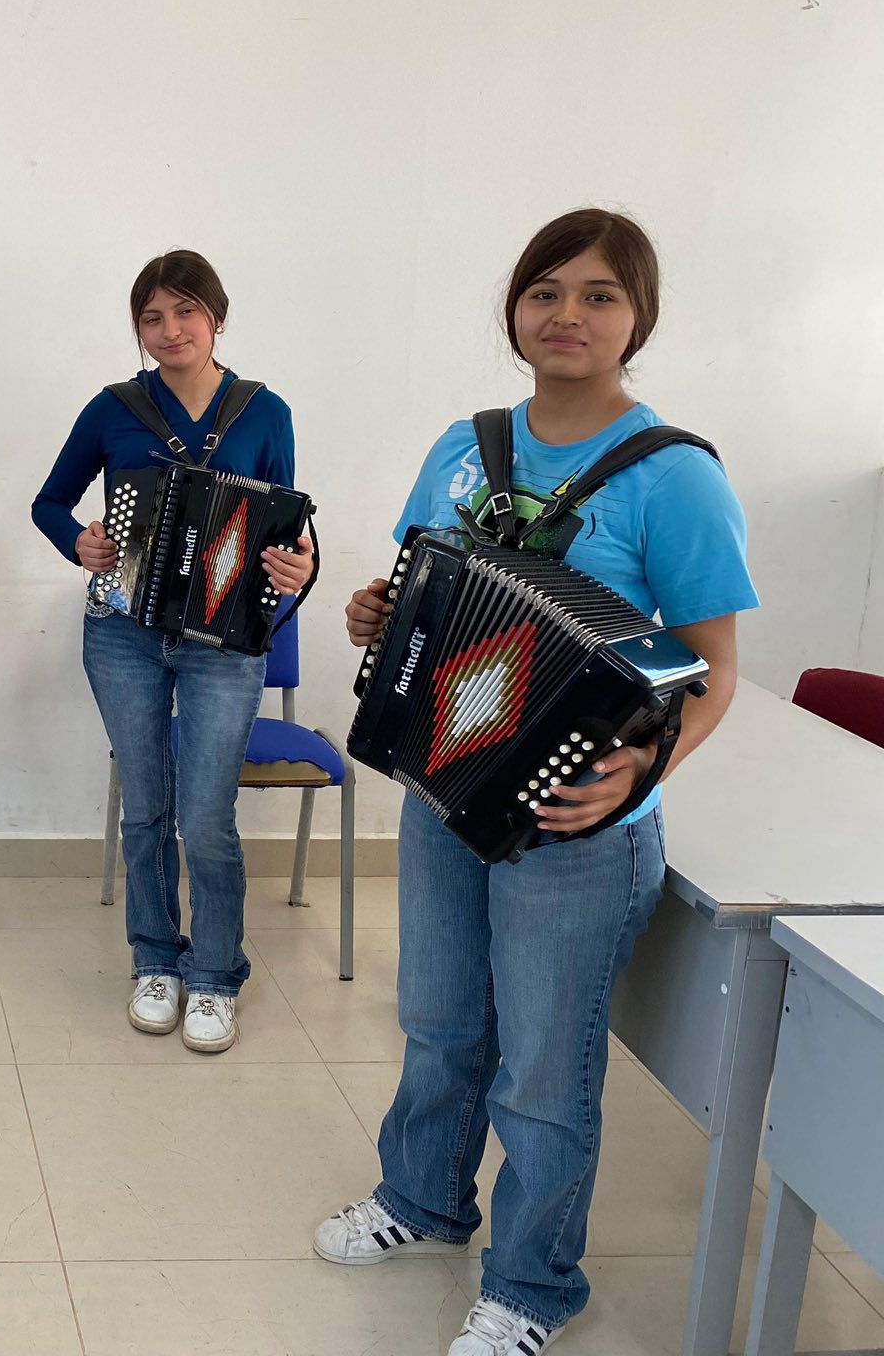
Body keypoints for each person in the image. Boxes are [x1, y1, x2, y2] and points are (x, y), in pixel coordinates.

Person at [314, 210, 757, 1356]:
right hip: (443, 793)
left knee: (545, 1073)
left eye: (600, 295)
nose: (567, 315)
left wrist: (635, 773)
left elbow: (710, 673)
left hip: (578, 825)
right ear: (513, 309)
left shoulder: (673, 475)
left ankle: (529, 1287)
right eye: (545, 290)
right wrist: (377, 609)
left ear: (636, 318)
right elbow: (425, 584)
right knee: (439, 1025)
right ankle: (420, 1200)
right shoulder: (463, 445)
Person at [32, 249, 313, 1053]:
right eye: (151, 317)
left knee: (206, 816)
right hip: (121, 630)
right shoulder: (115, 408)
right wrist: (76, 541)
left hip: (224, 643)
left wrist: (298, 565)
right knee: (147, 806)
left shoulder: (265, 411)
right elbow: (49, 501)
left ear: (216, 317)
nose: (169, 330)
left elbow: (287, 526)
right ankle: (155, 959)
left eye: (185, 311)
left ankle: (217, 973)